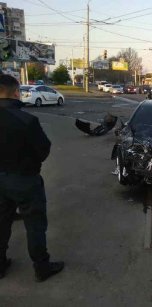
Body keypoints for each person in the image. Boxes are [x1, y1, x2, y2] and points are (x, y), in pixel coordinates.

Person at [0, 75, 64, 281]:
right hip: (25, 180)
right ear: (16, 93)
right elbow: (43, 149)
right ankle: (41, 267)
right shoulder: (27, 120)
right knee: (35, 224)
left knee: (1, 222)